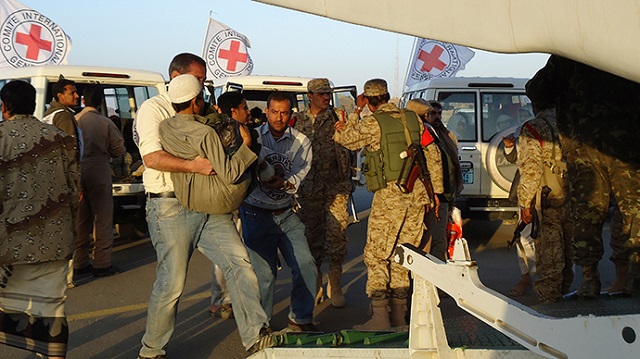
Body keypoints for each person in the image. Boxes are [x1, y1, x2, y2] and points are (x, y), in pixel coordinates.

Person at [134, 54, 272, 359]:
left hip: (207, 205)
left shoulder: (202, 110)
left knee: (240, 265)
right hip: (171, 207)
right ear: (177, 77)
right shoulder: (152, 110)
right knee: (172, 284)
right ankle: (151, 350)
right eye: (199, 79)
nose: (203, 84)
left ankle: (256, 336)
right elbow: (152, 158)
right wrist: (194, 166)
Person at [527, 55, 640, 298]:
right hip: (626, 145)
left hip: (584, 147)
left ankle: (590, 279)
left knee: (587, 213)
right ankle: (635, 277)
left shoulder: (571, 52)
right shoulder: (625, 44)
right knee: (634, 213)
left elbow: (538, 90)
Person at [334, 79, 434, 330]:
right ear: (388, 96)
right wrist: (436, 194)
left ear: (368, 100)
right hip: (416, 194)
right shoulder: (413, 118)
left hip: (390, 197)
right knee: (402, 253)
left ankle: (380, 317)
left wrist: (354, 115)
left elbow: (345, 139)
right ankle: (400, 317)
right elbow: (432, 154)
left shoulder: (373, 122)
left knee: (376, 255)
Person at [0, 80, 80, 359]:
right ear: (34, 104)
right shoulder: (61, 138)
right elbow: (73, 192)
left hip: (8, 247)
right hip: (55, 241)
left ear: (4, 107)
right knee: (52, 308)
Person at [239, 91, 319, 332]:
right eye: (274, 112)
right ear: (266, 112)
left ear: (290, 113)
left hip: (286, 213)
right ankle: (260, 326)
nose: (279, 117)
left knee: (306, 265)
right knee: (264, 275)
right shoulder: (252, 139)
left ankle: (301, 319)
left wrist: (283, 183)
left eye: (284, 112)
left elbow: (298, 176)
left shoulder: (301, 142)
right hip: (255, 213)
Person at [291, 78, 352, 307]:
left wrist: (346, 132)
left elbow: (354, 144)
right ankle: (315, 282)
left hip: (335, 186)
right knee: (311, 238)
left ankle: (334, 283)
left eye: (328, 94)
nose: (326, 97)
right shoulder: (298, 120)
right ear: (310, 96)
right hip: (308, 188)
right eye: (321, 94)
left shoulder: (339, 117)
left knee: (336, 235)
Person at [517, 80, 574, 304]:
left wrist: (525, 206)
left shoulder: (534, 128)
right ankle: (565, 295)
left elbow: (530, 172)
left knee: (549, 254)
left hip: (547, 199)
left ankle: (550, 306)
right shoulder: (569, 124)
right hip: (572, 197)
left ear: (534, 104)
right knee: (568, 252)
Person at [73, 85, 126, 278]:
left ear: (84, 100)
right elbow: (118, 150)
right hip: (99, 167)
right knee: (103, 217)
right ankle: (102, 263)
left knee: (82, 218)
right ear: (101, 102)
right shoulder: (105, 123)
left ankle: (80, 262)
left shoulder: (75, 120)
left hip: (78, 169)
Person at [405, 99, 456, 262]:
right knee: (429, 243)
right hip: (430, 197)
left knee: (438, 242)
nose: (436, 117)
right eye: (430, 113)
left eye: (437, 113)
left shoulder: (441, 134)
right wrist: (436, 194)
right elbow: (433, 162)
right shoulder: (422, 132)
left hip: (440, 196)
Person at [502, 120, 535, 297]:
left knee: (528, 238)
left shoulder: (538, 130)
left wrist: (527, 203)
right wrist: (509, 147)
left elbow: (531, 169)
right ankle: (527, 276)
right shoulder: (528, 130)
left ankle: (538, 278)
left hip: (540, 194)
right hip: (527, 195)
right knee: (523, 237)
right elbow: (516, 158)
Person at [43, 77, 82, 153]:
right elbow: (70, 148)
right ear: (60, 96)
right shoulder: (63, 116)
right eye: (72, 93)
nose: (77, 96)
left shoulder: (51, 113)